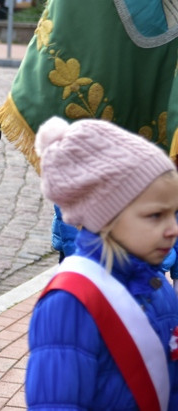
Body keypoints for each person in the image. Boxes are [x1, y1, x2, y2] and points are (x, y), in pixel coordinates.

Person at [27, 116, 178, 408]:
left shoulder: (158, 286)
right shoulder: (69, 302)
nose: (173, 228)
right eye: (155, 216)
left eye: (175, 213)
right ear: (107, 217)